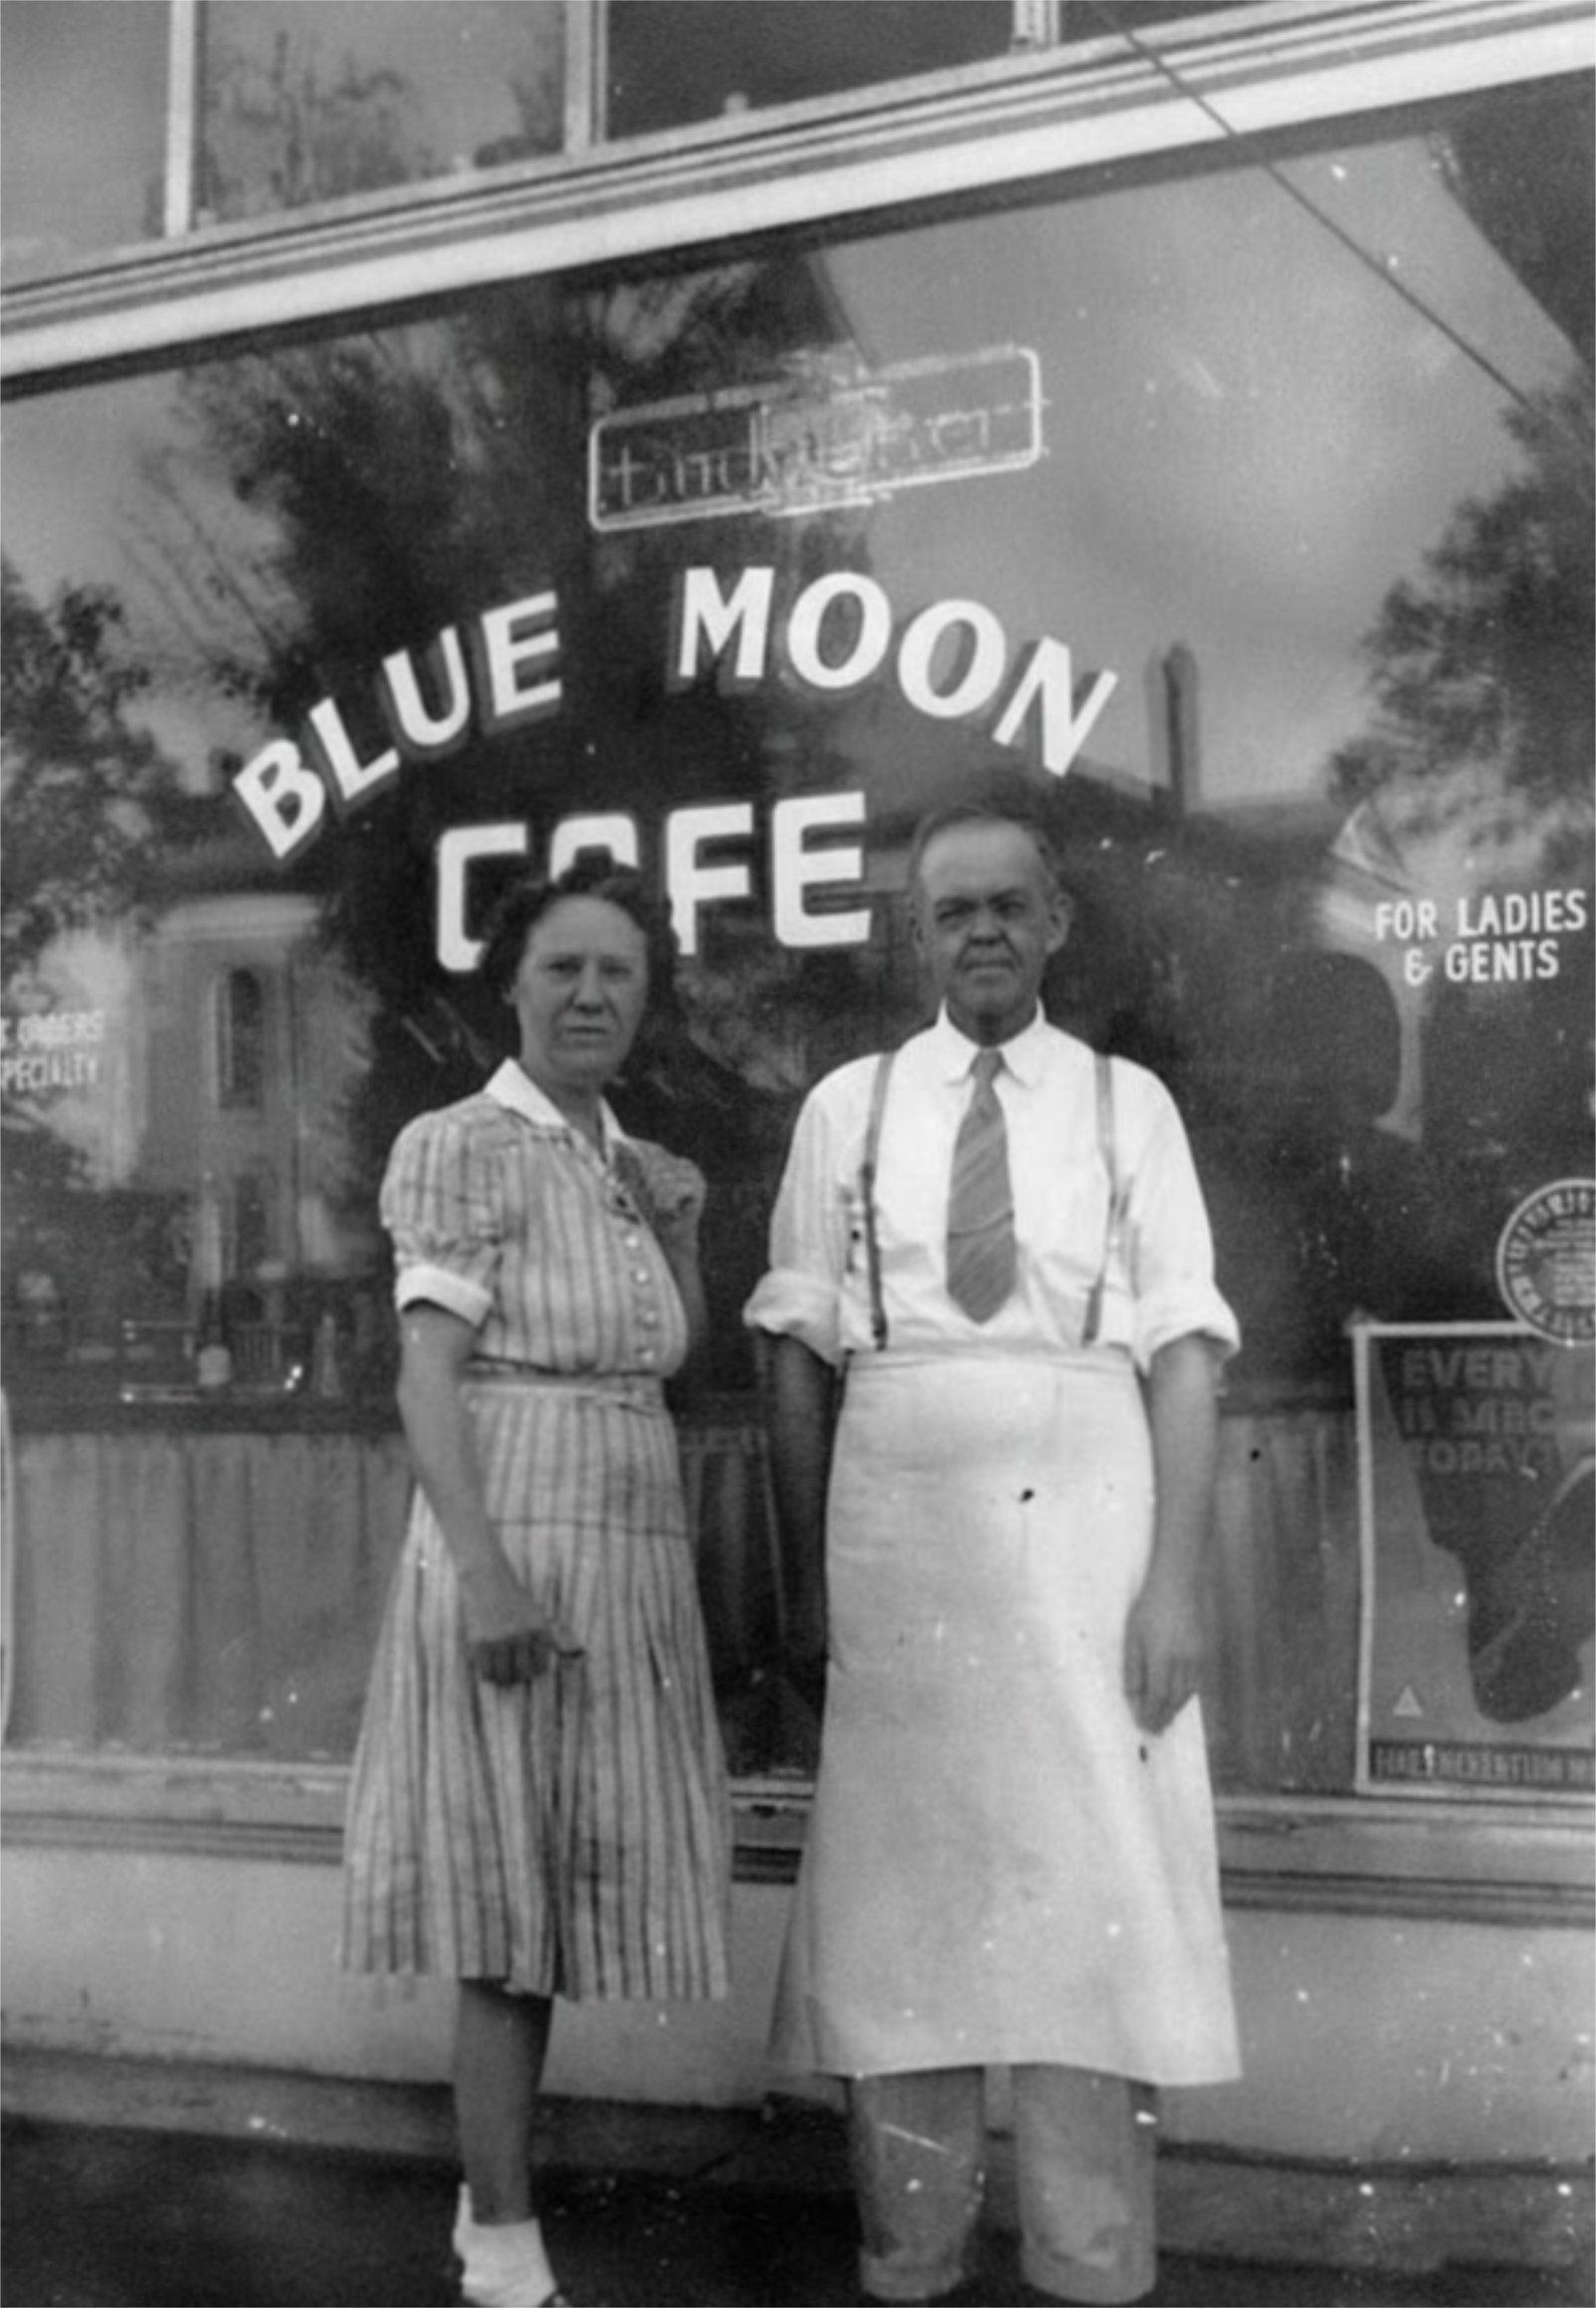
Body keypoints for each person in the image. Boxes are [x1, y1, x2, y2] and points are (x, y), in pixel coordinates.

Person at [745, 802, 1241, 2306]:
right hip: (900, 1530)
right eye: (952, 908)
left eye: (1008, 906)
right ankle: (913, 2261)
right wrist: (808, 1583)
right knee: (909, 1918)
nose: (981, 932)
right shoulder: (847, 1107)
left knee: (1095, 1904)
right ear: (916, 932)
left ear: (1056, 922)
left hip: (1090, 1526)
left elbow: (1185, 1353)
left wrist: (1173, 1587)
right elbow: (794, 1353)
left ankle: (1091, 2264)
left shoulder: (1126, 1107)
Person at [341, 859, 730, 2308]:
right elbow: (425, 1376)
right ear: (510, 984)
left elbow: (668, 1349)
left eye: (618, 972)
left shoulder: (628, 1159)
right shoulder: (463, 1145)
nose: (589, 995)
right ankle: (503, 2245)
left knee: (554, 1900)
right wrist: (488, 1576)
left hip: (625, 1551)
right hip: (512, 1535)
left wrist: (676, 1232)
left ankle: (485, 2203)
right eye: (562, 967)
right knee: (506, 1917)